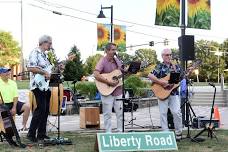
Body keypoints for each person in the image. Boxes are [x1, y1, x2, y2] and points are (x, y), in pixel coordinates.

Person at [148, 48, 183, 141]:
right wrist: (161, 82)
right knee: (163, 113)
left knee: (177, 113)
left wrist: (189, 73)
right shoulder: (160, 66)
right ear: (162, 56)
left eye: (170, 55)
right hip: (162, 93)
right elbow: (150, 75)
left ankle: (178, 133)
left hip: (173, 93)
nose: (169, 56)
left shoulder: (176, 67)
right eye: (167, 55)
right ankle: (165, 133)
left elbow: (181, 78)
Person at [26, 35, 53, 142]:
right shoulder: (35, 52)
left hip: (45, 86)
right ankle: (31, 134)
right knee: (40, 109)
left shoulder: (44, 55)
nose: (51, 45)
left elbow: (49, 70)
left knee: (45, 110)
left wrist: (58, 68)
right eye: (50, 43)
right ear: (44, 42)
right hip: (37, 85)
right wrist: (44, 72)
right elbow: (30, 68)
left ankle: (41, 134)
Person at [93, 42, 123, 133]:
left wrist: (129, 71)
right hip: (106, 90)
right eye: (113, 50)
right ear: (107, 51)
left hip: (118, 90)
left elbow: (122, 73)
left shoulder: (117, 61)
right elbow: (96, 74)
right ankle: (108, 132)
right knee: (107, 113)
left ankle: (120, 131)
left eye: (115, 49)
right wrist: (108, 81)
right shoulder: (103, 60)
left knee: (120, 112)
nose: (115, 51)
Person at [0, 67, 30, 131]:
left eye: (8, 72)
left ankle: (23, 127)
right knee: (3, 114)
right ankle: (4, 130)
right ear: (1, 74)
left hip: (12, 103)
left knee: (27, 107)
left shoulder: (13, 83)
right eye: (5, 72)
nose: (8, 73)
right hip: (2, 104)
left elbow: (15, 96)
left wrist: (14, 107)